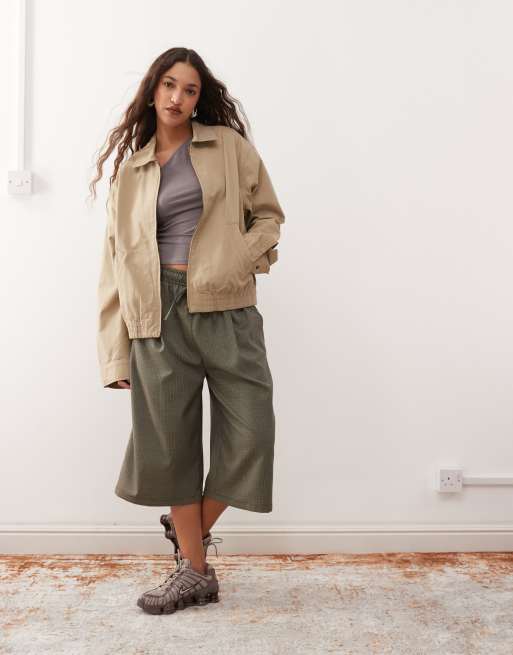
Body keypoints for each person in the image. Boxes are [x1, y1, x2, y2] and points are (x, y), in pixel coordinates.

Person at [89, 47, 285, 615]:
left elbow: (268, 216)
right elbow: (114, 265)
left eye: (190, 89)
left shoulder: (227, 147)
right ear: (153, 90)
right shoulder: (131, 173)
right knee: (171, 448)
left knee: (253, 435)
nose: (178, 97)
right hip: (156, 315)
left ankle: (188, 530)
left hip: (227, 308)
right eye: (169, 85)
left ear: (200, 99)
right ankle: (195, 572)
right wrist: (114, 355)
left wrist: (238, 260)